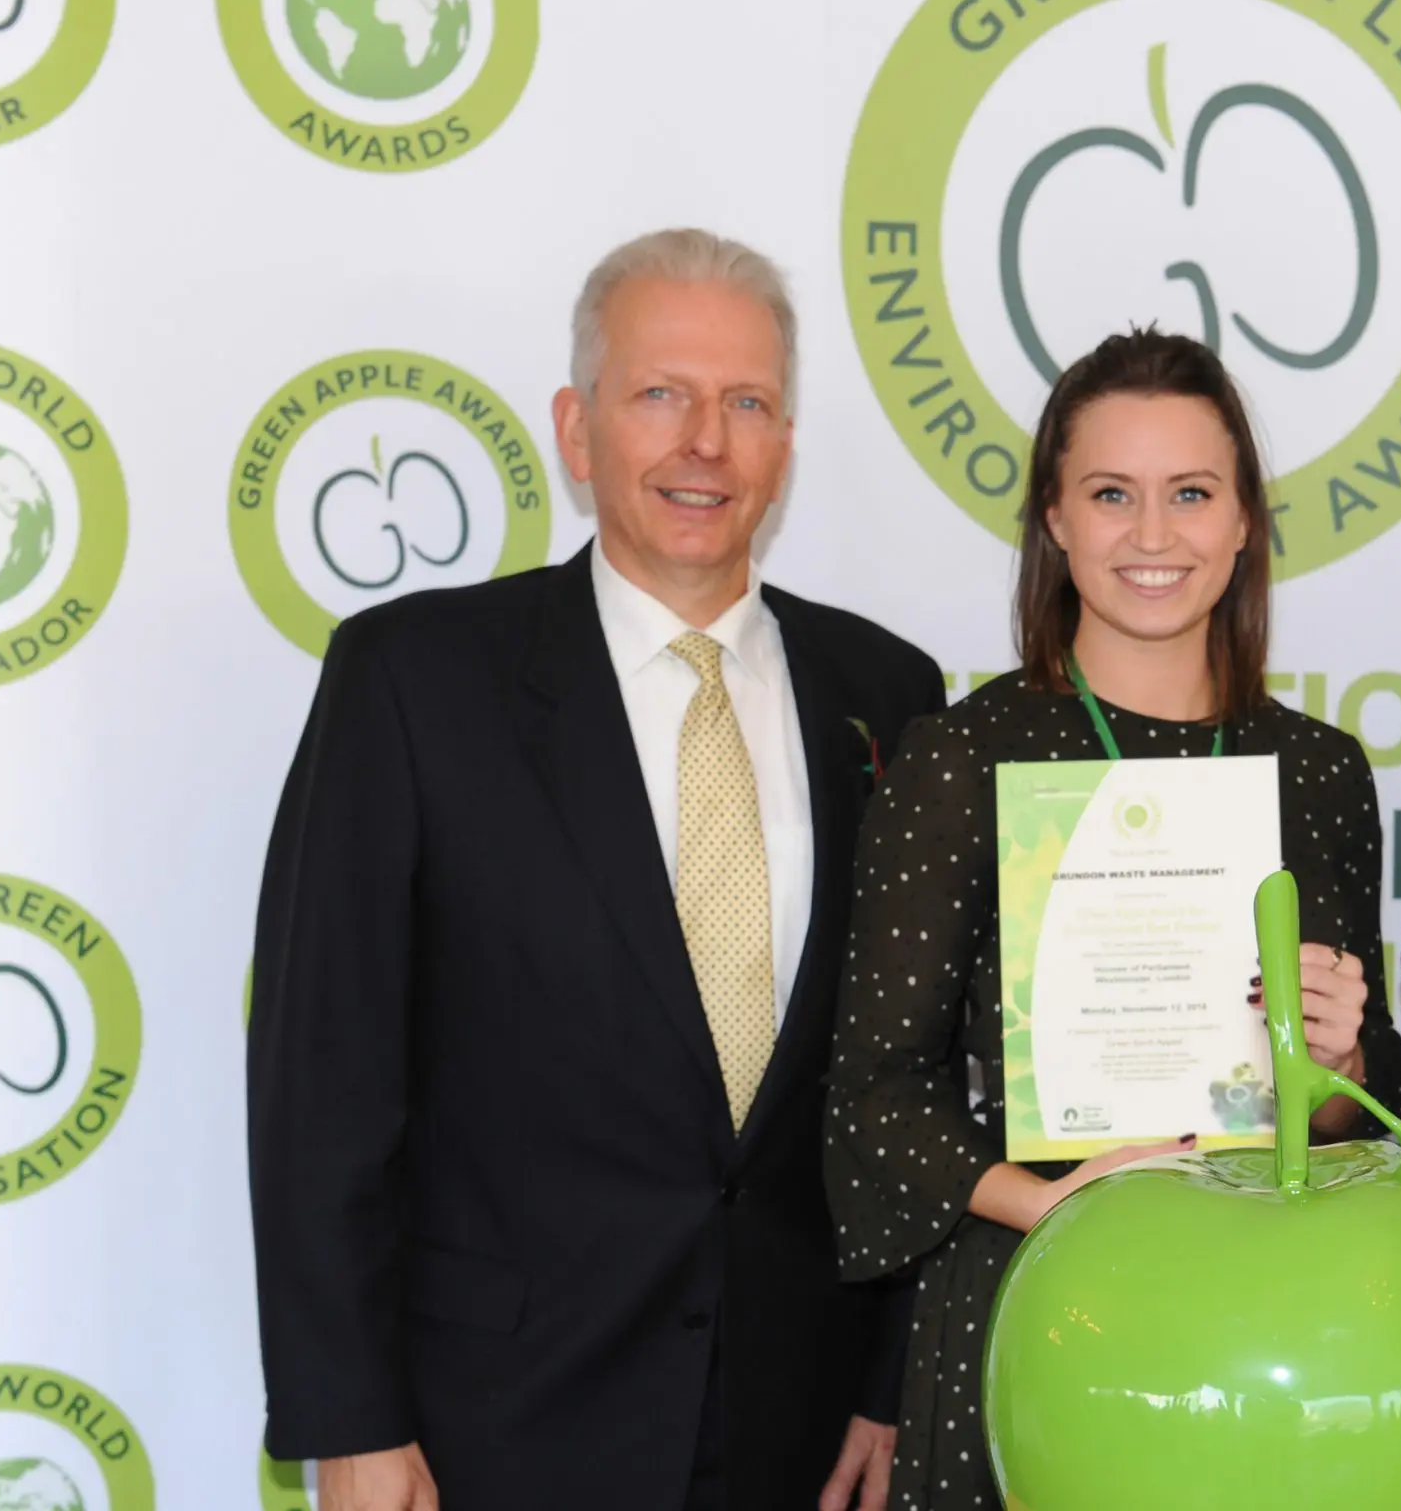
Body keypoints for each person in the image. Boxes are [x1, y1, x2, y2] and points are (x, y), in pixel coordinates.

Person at [248, 230, 948, 1511]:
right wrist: (348, 1420)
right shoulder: (414, 684)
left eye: (746, 404)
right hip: (495, 1429)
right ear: (576, 432)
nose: (706, 443)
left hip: (802, 1425)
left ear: (784, 445)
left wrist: (889, 1381)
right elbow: (322, 1085)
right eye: (660, 395)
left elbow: (906, 1072)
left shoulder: (888, 694)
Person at [823, 327, 1401, 1510]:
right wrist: (1048, 1204)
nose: (1153, 537)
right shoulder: (961, 757)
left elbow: (1366, 1102)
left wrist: (1339, 1057)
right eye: (1111, 495)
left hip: (1268, 1322)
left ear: (1245, 520)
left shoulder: (1317, 770)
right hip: (1031, 1303)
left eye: (1190, 494)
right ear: (1054, 521)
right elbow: (873, 1101)